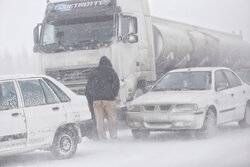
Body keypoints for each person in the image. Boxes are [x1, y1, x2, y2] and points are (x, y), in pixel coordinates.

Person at [85, 56, 120, 140]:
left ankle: (102, 138)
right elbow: (116, 84)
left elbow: (88, 86)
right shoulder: (111, 71)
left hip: (97, 100)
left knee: (99, 121)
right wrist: (114, 94)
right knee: (112, 119)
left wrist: (94, 95)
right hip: (109, 99)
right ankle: (113, 136)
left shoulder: (94, 72)